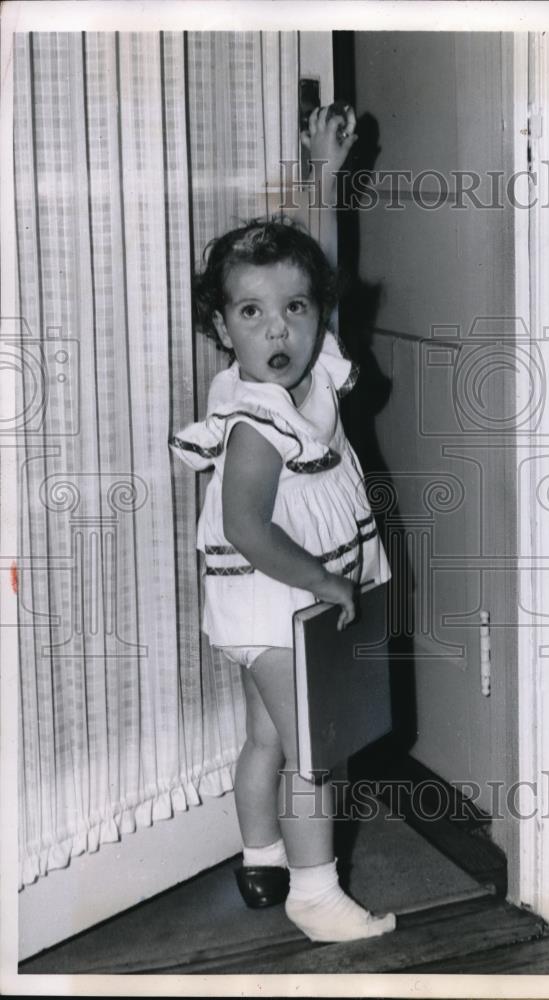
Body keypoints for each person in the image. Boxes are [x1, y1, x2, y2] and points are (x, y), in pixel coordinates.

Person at [169, 107, 395, 943]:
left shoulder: (318, 372)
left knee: (268, 733)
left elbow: (322, 263)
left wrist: (325, 177)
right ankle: (313, 891)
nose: (281, 328)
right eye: (254, 314)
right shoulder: (256, 421)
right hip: (274, 596)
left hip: (277, 601)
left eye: (295, 309)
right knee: (315, 751)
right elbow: (249, 531)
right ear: (222, 330)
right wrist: (328, 581)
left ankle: (261, 855)